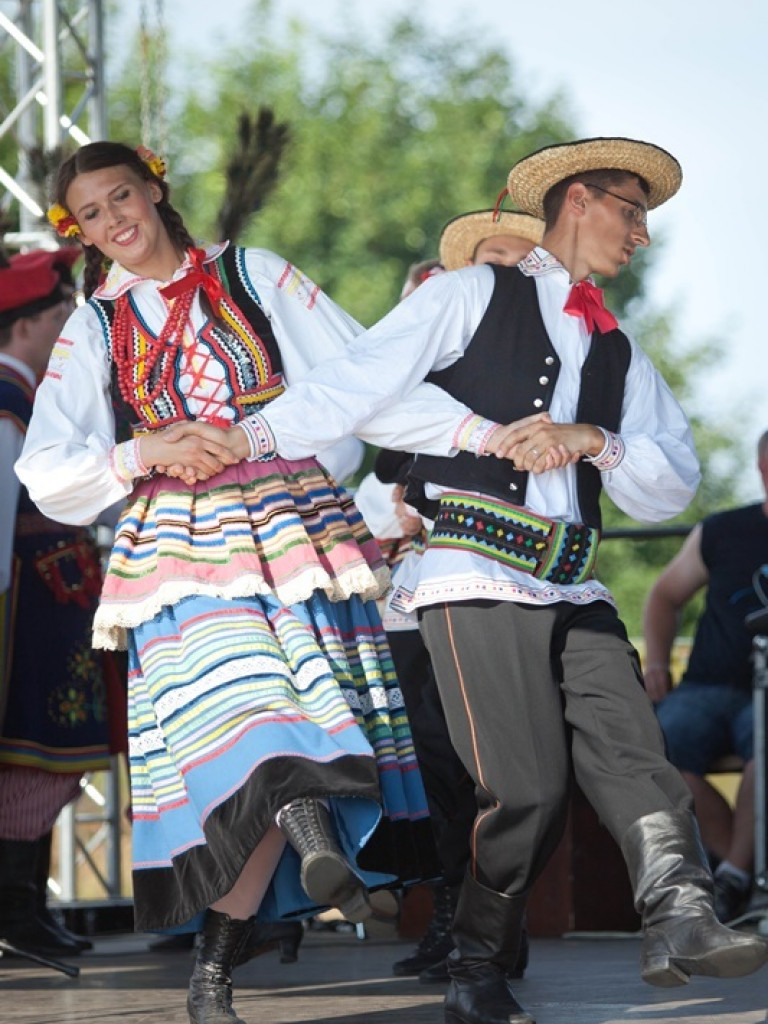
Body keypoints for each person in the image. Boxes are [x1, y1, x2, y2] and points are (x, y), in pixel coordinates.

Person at [156, 136, 768, 1024]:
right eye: (632, 212)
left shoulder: (617, 347)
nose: (642, 235)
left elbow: (672, 480)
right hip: (471, 576)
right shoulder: (470, 293)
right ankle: (477, 964)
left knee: (635, 748)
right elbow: (358, 385)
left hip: (574, 585)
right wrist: (247, 438)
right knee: (526, 792)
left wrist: (595, 442)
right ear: (578, 201)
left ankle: (681, 913)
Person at [16, 141, 527, 1024]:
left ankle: (213, 975)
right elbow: (46, 466)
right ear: (80, 231)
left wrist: (480, 435)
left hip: (292, 528)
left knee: (276, 731)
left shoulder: (256, 275)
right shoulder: (94, 326)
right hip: (175, 547)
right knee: (241, 718)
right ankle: (316, 843)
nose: (113, 220)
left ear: (154, 190)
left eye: (121, 196)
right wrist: (142, 451)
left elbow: (364, 376)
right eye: (91, 213)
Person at [364, 210, 544, 985]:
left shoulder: (520, 382)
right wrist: (393, 519)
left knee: (490, 767)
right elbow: (369, 499)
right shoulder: (397, 414)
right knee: (432, 765)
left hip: (491, 594)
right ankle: (450, 917)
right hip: (409, 610)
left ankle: (494, 926)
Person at [0, 246, 109, 959]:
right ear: (24, 325)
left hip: (49, 593)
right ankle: (17, 912)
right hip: (25, 604)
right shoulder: (7, 399)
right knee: (31, 750)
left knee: (50, 750)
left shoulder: (31, 396)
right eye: (58, 311)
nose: (69, 321)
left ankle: (27, 906)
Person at [643, 431, 768, 924]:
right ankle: (740, 870)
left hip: (765, 698)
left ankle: (732, 878)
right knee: (656, 747)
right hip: (706, 687)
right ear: (762, 469)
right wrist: (656, 663)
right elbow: (664, 595)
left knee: (766, 747)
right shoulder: (722, 530)